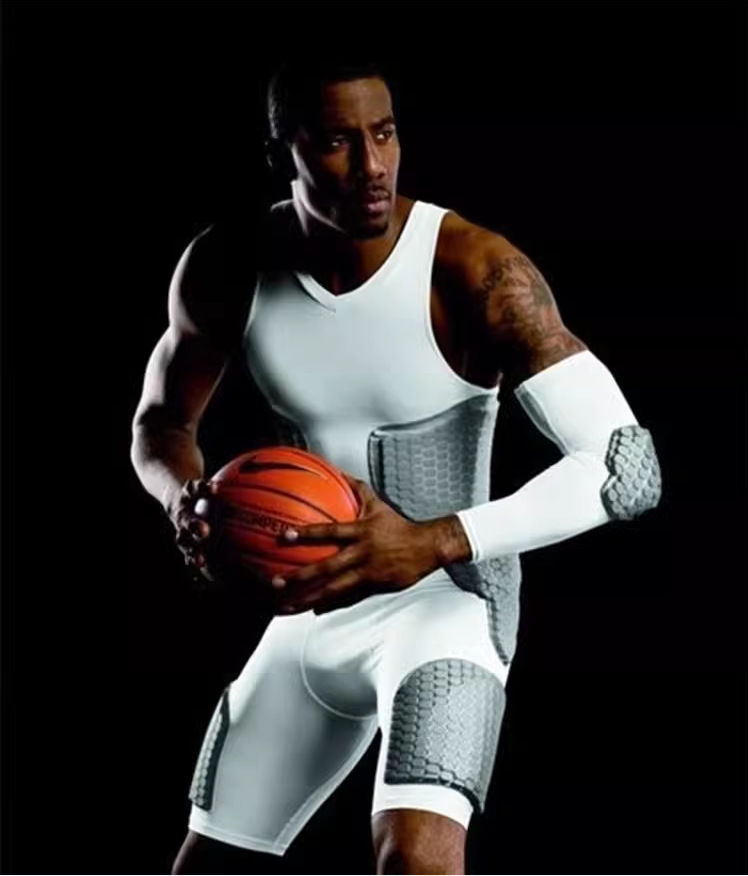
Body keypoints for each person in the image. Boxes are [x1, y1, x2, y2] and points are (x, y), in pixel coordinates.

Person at [130, 57, 662, 875]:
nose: (372, 166)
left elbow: (627, 469)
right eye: (337, 142)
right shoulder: (229, 265)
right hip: (310, 615)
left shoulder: (475, 269)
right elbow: (163, 424)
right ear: (282, 154)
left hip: (448, 606)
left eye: (383, 134)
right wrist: (183, 502)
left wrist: (432, 540)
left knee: (415, 863)